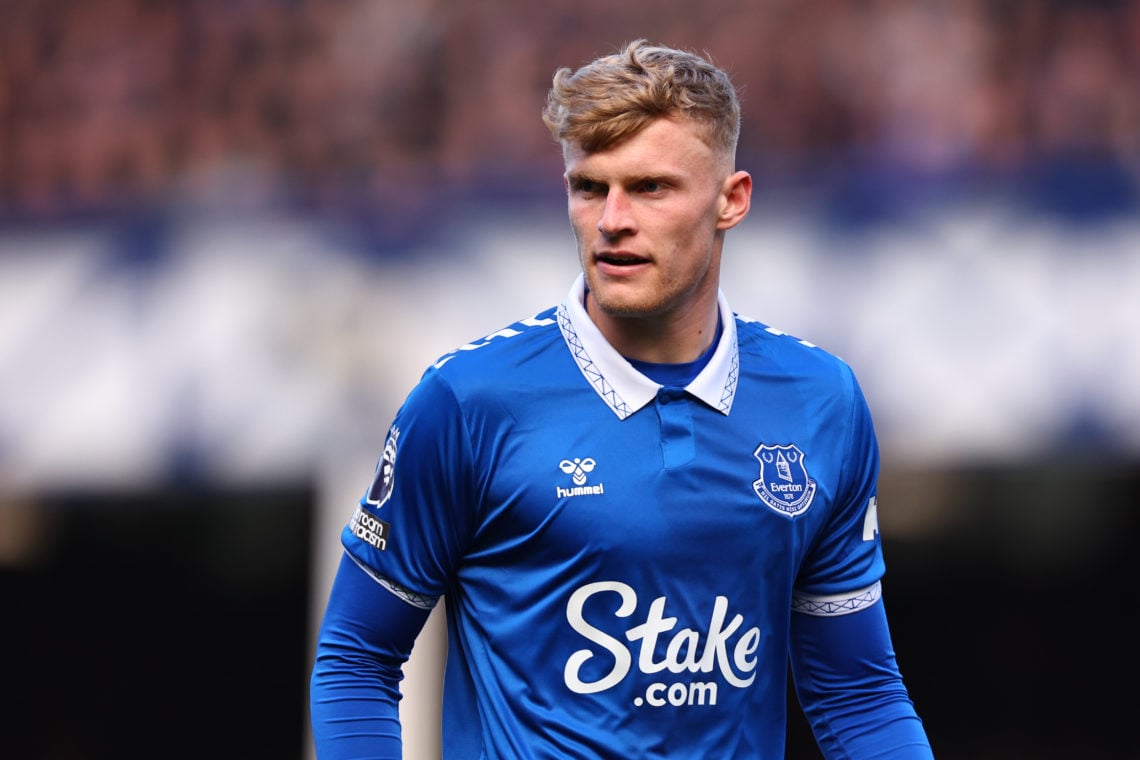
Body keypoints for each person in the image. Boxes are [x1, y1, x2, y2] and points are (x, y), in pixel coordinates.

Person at [310, 39, 933, 759]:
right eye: (588, 187)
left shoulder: (819, 404)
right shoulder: (468, 403)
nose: (611, 220)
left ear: (731, 200)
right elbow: (357, 658)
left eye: (650, 188)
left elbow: (857, 693)